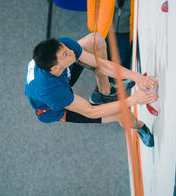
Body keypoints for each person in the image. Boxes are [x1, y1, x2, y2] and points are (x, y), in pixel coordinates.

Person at [24, 32, 157, 147]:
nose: (71, 52)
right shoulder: (52, 92)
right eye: (66, 54)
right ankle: (139, 126)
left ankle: (104, 93)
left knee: (96, 40)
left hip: (60, 80)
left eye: (66, 49)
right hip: (52, 107)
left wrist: (137, 77)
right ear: (55, 68)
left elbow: (102, 65)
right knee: (122, 113)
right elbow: (91, 112)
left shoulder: (64, 46)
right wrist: (133, 100)